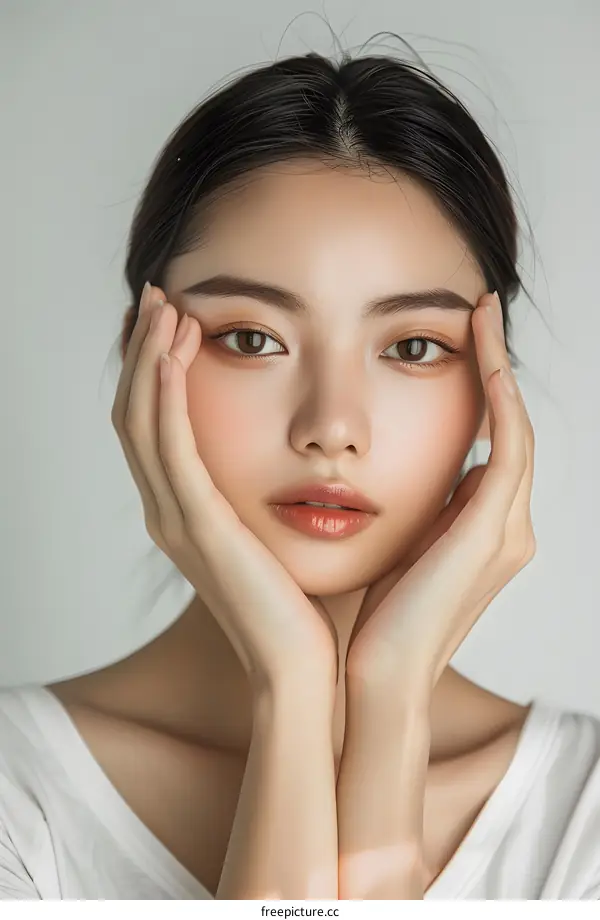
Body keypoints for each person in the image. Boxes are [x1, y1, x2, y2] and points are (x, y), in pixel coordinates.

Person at [1, 40, 600, 902]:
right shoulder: (20, 803)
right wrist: (289, 691)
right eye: (253, 339)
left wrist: (388, 702)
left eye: (414, 346)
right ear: (140, 356)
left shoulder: (577, 812)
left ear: (487, 392)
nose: (330, 427)